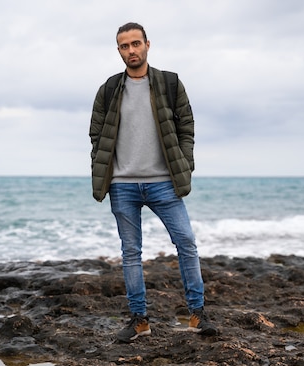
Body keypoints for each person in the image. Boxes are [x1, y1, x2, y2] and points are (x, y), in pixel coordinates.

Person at [89, 22, 218, 342]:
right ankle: (139, 320)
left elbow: (186, 125)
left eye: (136, 44)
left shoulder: (169, 83)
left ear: (147, 44)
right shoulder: (108, 88)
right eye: (124, 46)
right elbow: (96, 134)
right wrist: (101, 167)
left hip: (163, 182)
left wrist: (185, 163)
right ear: (118, 50)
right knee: (130, 252)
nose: (131, 50)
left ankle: (198, 314)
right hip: (123, 184)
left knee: (186, 242)